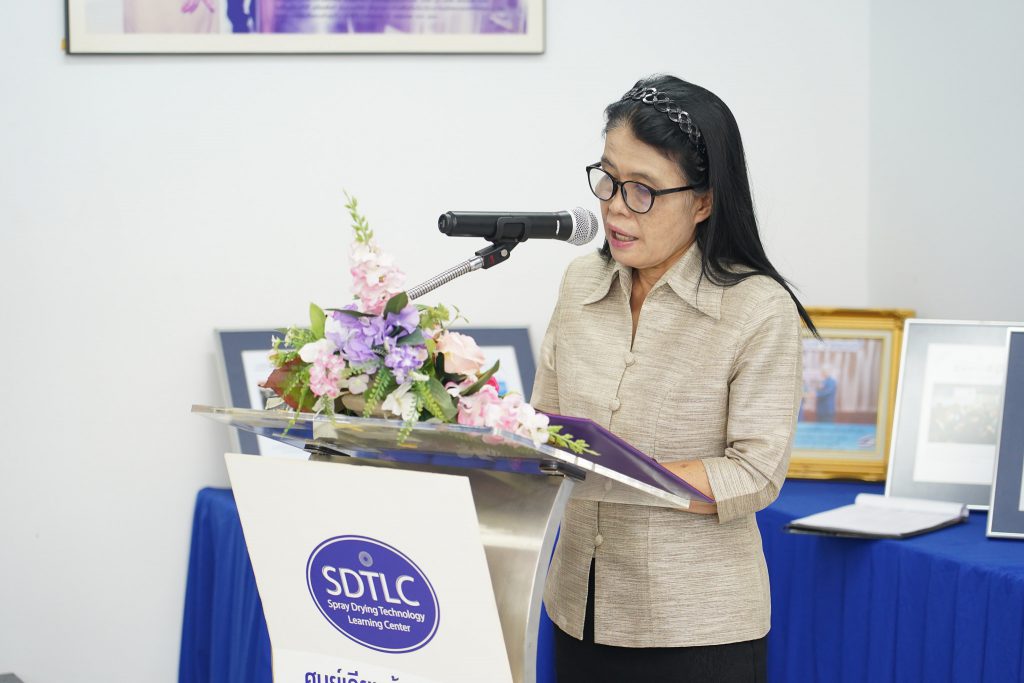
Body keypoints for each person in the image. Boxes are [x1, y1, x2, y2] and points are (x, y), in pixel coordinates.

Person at [530, 74, 817, 682]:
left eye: (643, 190)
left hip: (697, 628)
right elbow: (545, 429)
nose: (614, 206)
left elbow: (756, 473)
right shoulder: (580, 283)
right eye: (608, 178)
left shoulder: (757, 308)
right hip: (577, 607)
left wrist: (618, 472)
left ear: (703, 201)